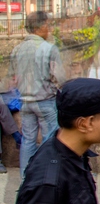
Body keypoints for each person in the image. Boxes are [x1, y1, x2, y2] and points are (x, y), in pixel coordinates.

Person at [13, 11, 66, 175]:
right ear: (41, 26)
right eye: (47, 25)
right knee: (50, 140)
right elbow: (59, 77)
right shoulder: (49, 48)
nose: (49, 29)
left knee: (28, 141)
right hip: (45, 101)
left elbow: (15, 76)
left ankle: (25, 180)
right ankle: (47, 179)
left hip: (25, 102)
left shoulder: (17, 49)